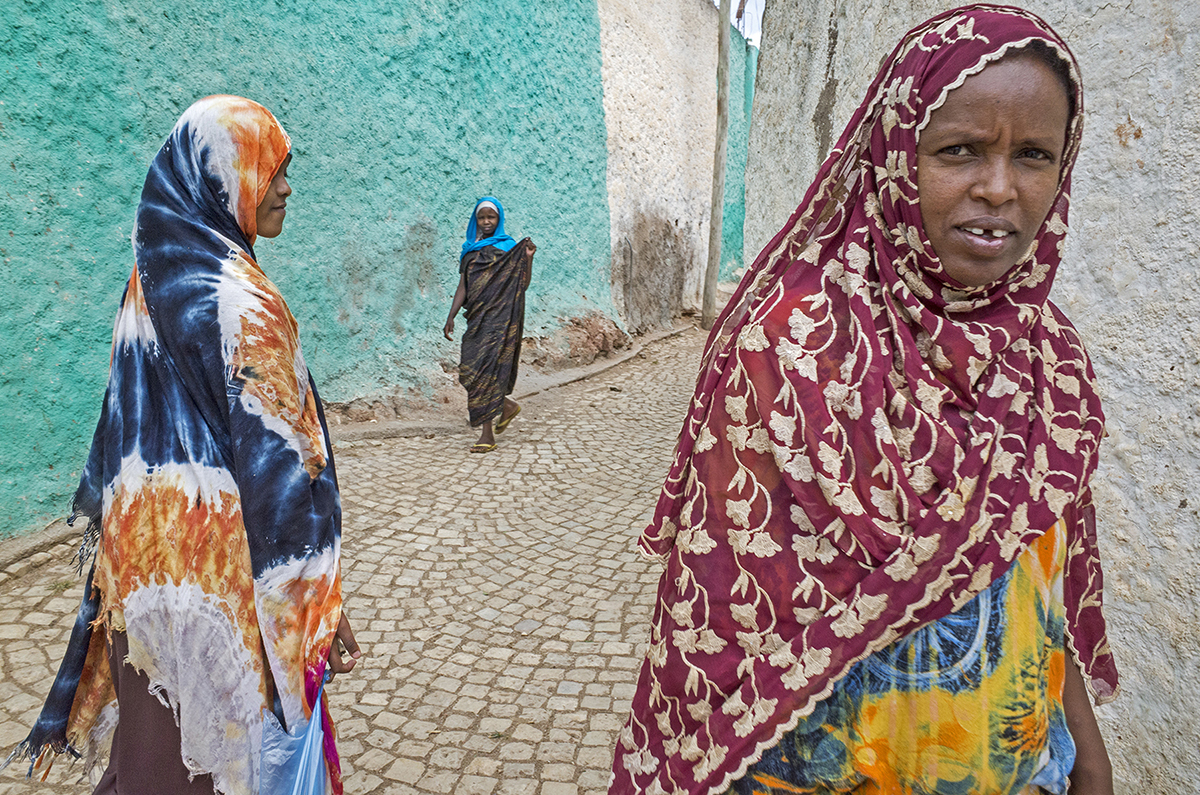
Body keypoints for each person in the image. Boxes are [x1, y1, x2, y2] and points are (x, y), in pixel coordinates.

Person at [610, 6, 1118, 795]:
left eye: (1033, 155)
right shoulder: (788, 347)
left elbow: (1039, 577)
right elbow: (713, 626)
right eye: (960, 150)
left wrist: (1085, 746)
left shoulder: (1050, 362)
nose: (998, 187)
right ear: (895, 157)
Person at [8, 96, 360, 795]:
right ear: (220, 178)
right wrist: (318, 607)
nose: (286, 187)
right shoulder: (244, 302)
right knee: (229, 762)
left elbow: (118, 437)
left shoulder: (148, 284)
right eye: (270, 170)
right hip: (222, 590)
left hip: (141, 572)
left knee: (155, 754)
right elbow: (283, 483)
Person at [443, 197, 536, 452]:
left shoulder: (507, 249)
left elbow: (522, 285)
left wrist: (527, 258)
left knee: (487, 371)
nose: (486, 222)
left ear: (499, 220)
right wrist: (451, 315)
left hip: (500, 322)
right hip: (477, 319)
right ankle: (506, 406)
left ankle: (487, 435)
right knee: (469, 371)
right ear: (476, 221)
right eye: (482, 217)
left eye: (491, 217)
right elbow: (463, 286)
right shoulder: (469, 251)